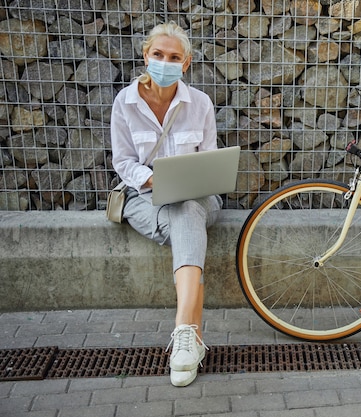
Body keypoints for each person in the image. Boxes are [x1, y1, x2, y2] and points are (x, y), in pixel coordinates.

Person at [110, 22, 221, 387]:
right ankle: (191, 338)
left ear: (185, 63)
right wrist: (159, 180)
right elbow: (124, 163)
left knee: (187, 209)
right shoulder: (125, 103)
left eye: (174, 57)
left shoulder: (200, 103)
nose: (165, 62)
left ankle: (182, 332)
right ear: (146, 56)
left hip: (199, 197)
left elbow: (209, 160)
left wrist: (186, 183)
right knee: (183, 218)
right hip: (144, 199)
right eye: (158, 54)